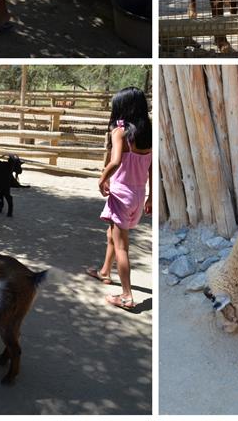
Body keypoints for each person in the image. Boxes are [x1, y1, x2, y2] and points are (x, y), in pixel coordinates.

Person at [86, 87, 153, 310]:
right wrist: (151, 196)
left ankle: (126, 296)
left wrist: (101, 179)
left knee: (122, 246)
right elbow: (152, 168)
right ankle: (105, 271)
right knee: (112, 235)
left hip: (121, 194)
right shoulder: (148, 132)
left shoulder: (120, 132)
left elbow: (114, 162)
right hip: (138, 194)